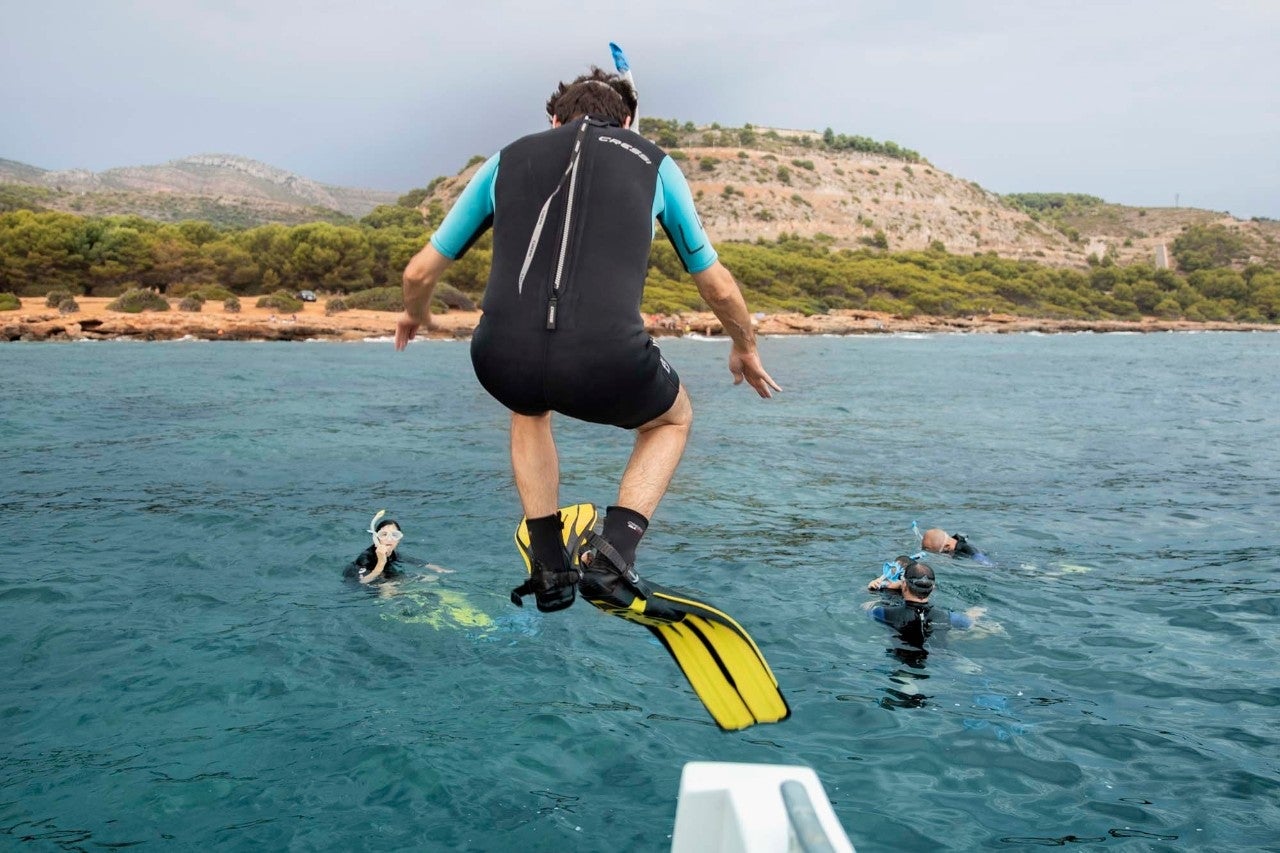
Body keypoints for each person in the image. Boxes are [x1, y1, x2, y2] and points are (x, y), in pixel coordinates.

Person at [394, 66, 780, 613]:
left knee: (526, 405)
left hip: (500, 354)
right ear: (626, 121)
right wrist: (745, 345)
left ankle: (550, 568)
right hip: (605, 357)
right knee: (672, 419)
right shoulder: (653, 161)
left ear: (553, 118)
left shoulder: (504, 159)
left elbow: (416, 275)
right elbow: (715, 284)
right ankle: (613, 558)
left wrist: (415, 315)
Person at [865, 560, 985, 647]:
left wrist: (873, 589)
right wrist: (975, 612)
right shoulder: (947, 617)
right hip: (941, 659)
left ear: (904, 585)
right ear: (932, 588)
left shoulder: (882, 613)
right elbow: (970, 624)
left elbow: (866, 607)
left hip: (903, 661)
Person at [919, 526, 992, 566]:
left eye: (927, 549)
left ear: (947, 547)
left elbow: (986, 564)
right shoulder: (953, 541)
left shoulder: (969, 552)